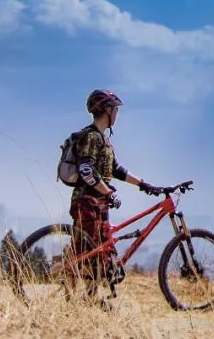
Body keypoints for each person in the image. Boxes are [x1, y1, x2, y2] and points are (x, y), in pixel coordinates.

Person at [70, 89, 159, 298]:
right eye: (115, 109)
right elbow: (86, 169)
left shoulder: (104, 140)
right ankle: (85, 297)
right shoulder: (91, 136)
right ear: (106, 110)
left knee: (100, 250)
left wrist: (143, 184)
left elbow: (116, 170)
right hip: (87, 201)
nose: (117, 114)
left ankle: (95, 298)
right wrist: (108, 192)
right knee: (89, 252)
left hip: (100, 202)